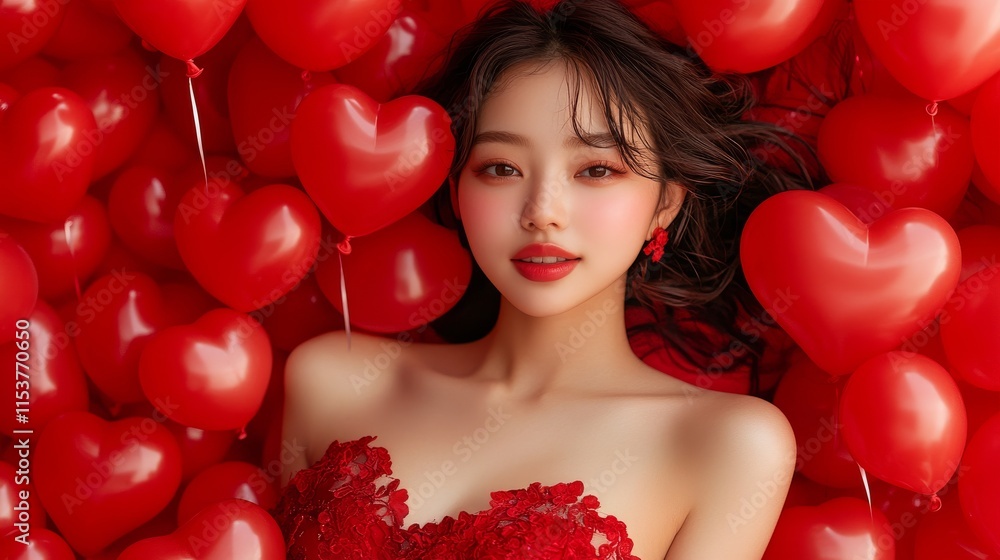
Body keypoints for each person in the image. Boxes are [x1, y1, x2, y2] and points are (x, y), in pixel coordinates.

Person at [273, 0, 810, 557]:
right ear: (456, 191)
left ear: (665, 205)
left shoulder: (728, 445)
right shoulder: (330, 380)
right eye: (501, 168)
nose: (543, 211)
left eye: (596, 170)